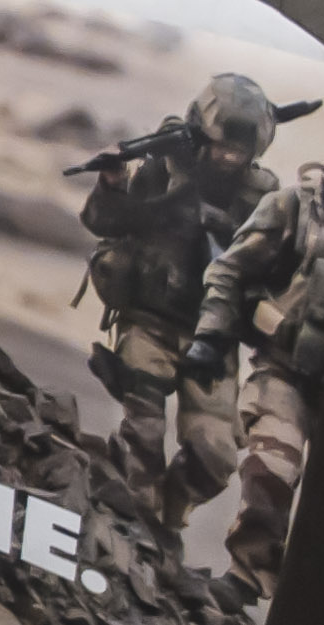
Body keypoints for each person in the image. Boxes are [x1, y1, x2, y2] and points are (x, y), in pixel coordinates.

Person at [76, 73, 284, 533]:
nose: (229, 157)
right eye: (221, 145)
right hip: (148, 320)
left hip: (210, 338)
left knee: (214, 458)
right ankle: (136, 525)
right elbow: (103, 222)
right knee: (143, 438)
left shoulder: (263, 198)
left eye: (239, 151)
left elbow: (274, 272)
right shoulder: (160, 167)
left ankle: (164, 523)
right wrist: (112, 183)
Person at [189, 100, 324, 608]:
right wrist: (211, 334)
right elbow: (231, 271)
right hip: (286, 372)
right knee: (273, 466)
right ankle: (246, 576)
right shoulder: (296, 207)